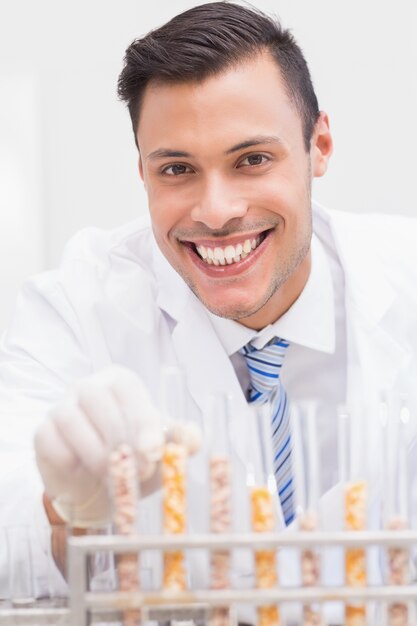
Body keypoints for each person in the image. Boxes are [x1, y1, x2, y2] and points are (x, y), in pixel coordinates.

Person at [1, 0, 417, 619]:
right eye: (178, 169)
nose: (216, 211)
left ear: (319, 145)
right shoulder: (75, 305)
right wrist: (65, 508)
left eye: (252, 159)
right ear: (142, 173)